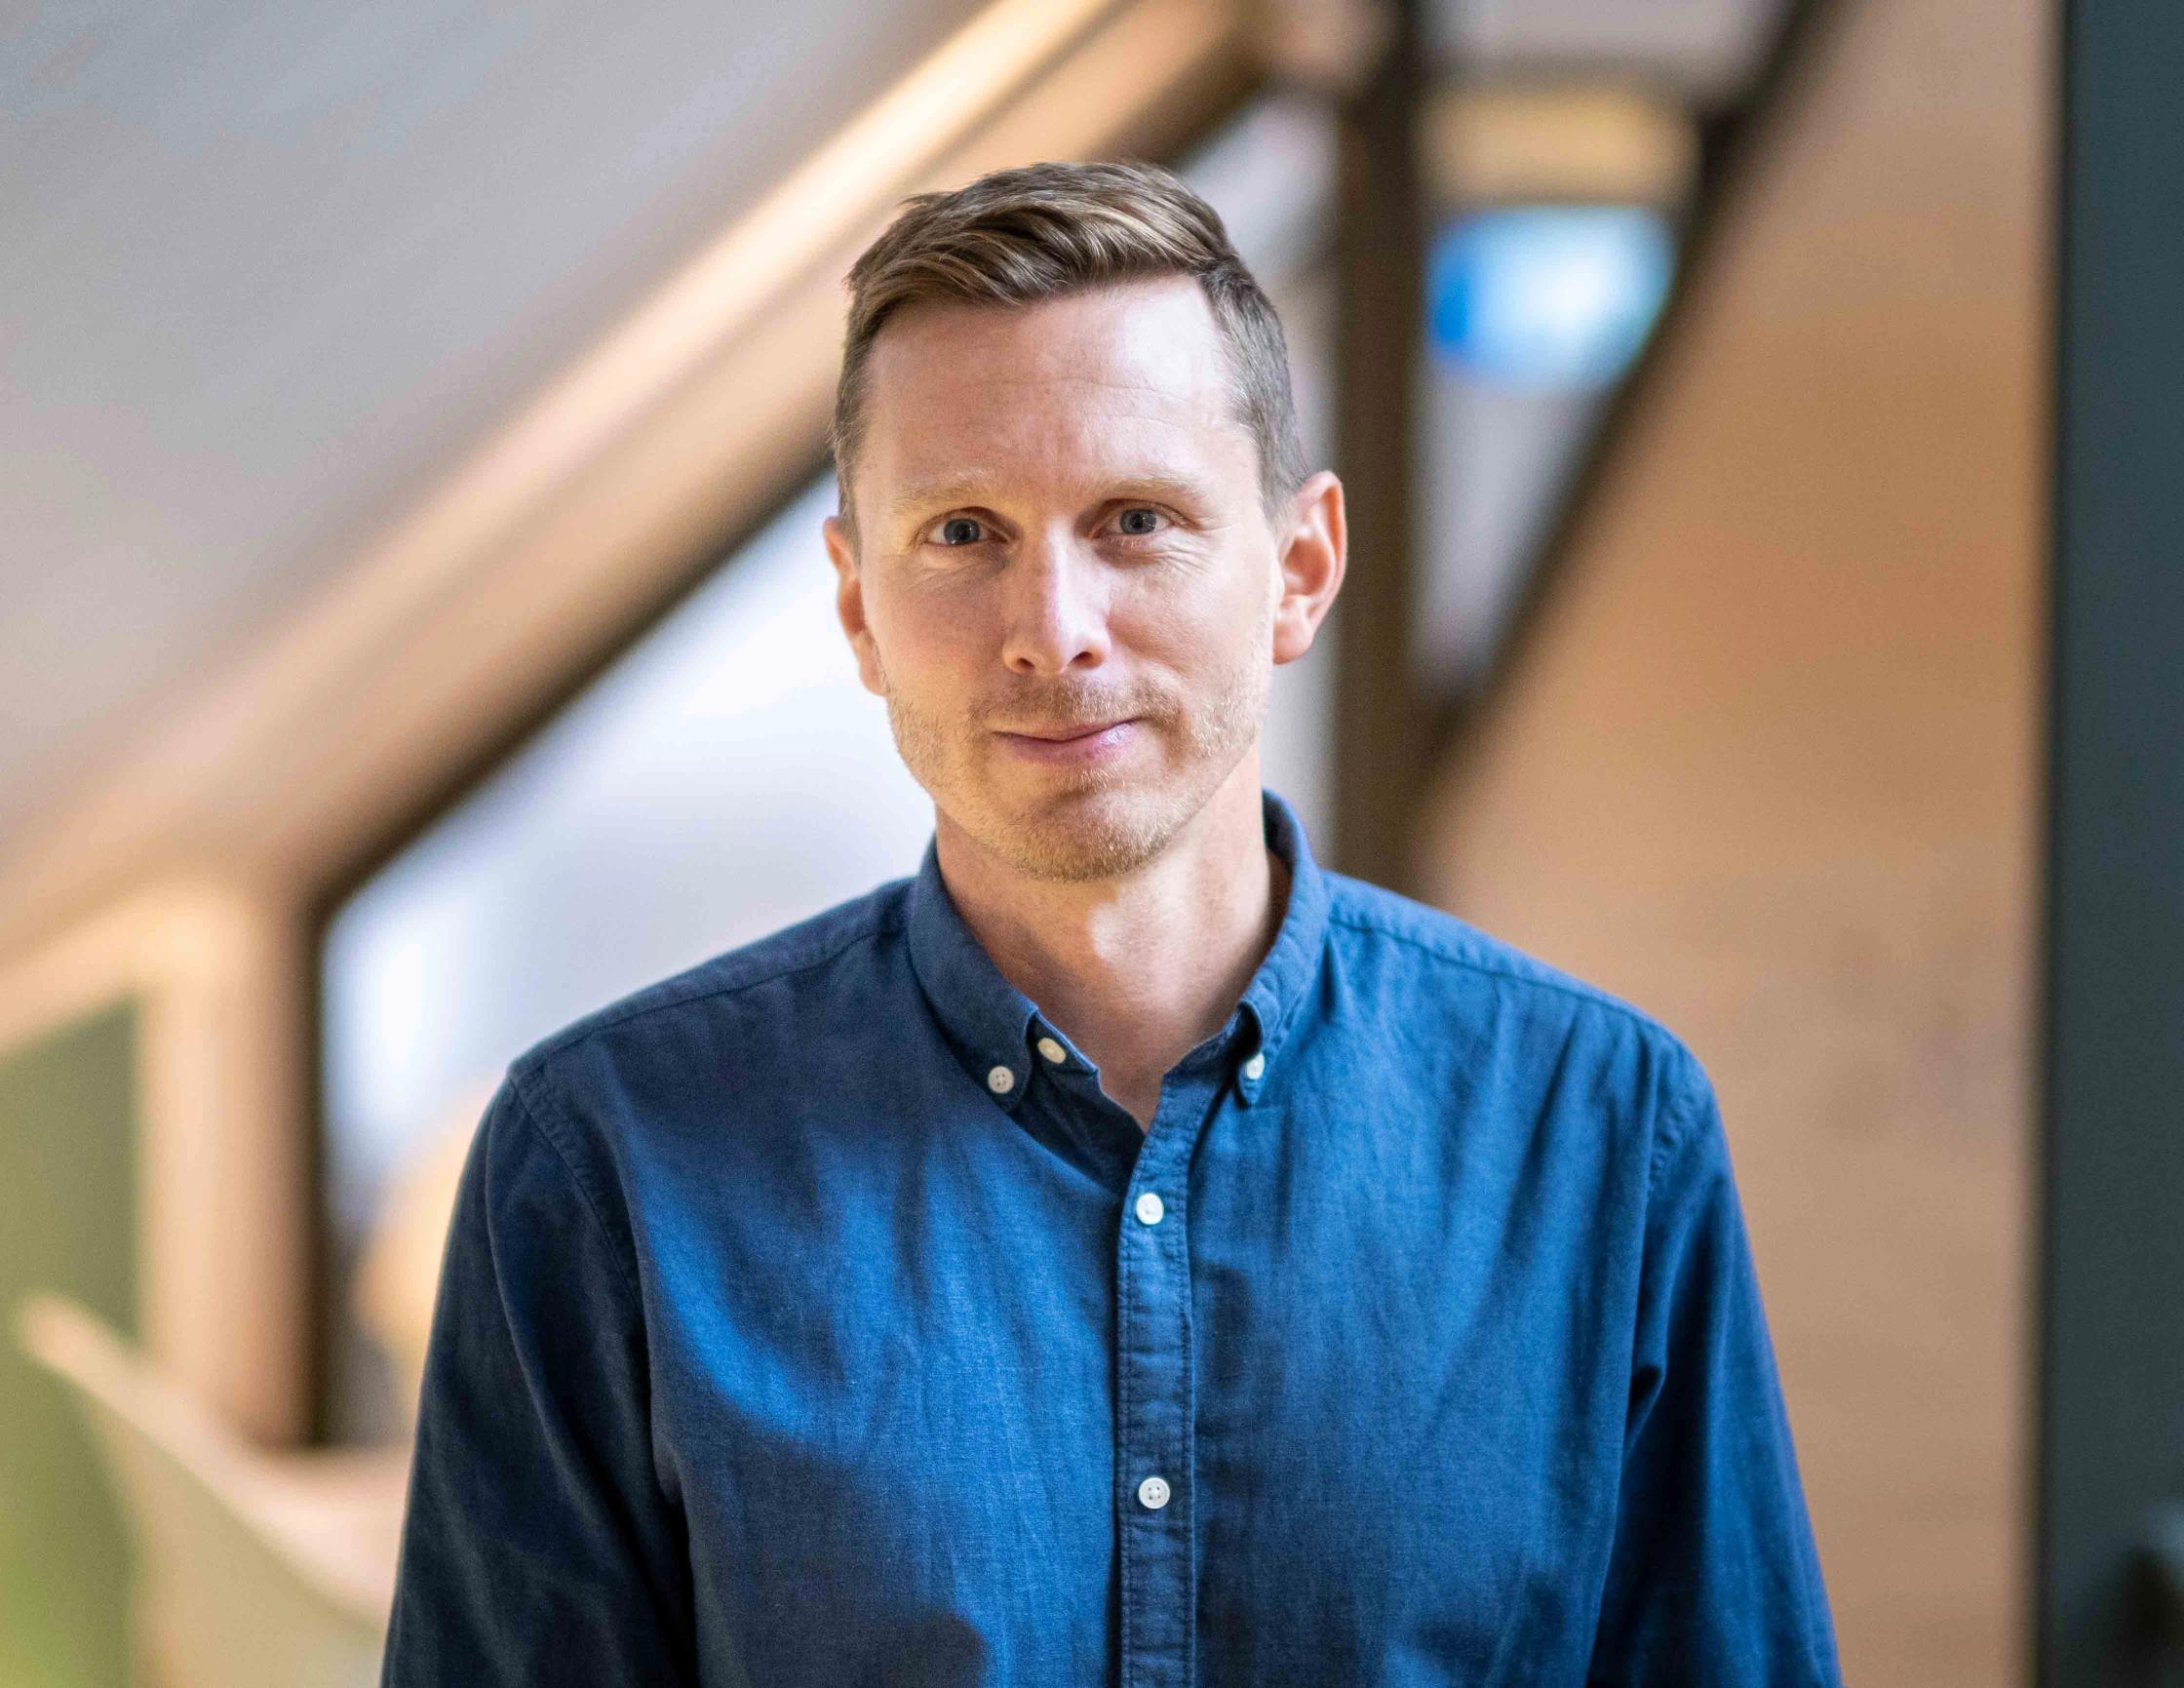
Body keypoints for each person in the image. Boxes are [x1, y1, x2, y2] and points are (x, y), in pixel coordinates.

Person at [379, 159, 1843, 1686]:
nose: (1052, 630)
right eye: (962, 533)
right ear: (858, 601)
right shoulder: (606, 1160)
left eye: (1136, 519)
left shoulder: (1601, 1130)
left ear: (1300, 569)